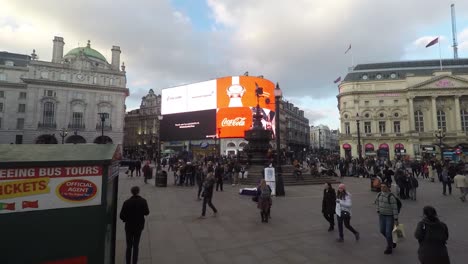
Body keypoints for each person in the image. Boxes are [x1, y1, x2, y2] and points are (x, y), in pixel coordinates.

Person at [119, 186, 150, 264]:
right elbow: (147, 212)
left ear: (131, 192)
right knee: (136, 245)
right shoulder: (143, 201)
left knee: (129, 246)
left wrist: (125, 219)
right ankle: (134, 262)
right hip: (139, 226)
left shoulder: (126, 202)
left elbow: (121, 216)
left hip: (129, 226)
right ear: (138, 191)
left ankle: (128, 262)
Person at [375, 183, 399, 254]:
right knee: (382, 230)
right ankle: (391, 242)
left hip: (389, 216)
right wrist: (378, 210)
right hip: (382, 216)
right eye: (381, 186)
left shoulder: (391, 197)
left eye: (384, 187)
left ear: (388, 188)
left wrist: (396, 219)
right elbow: (377, 203)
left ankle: (389, 247)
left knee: (388, 232)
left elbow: (395, 208)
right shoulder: (379, 194)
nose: (382, 188)